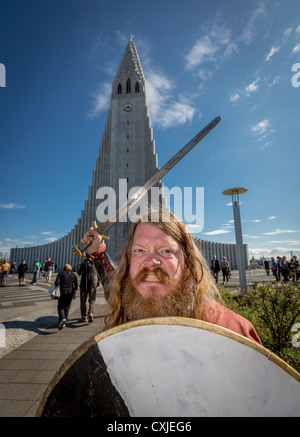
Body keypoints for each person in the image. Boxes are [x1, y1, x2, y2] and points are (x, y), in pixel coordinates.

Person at [81, 209, 261, 344]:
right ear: (129, 261)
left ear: (188, 262)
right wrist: (98, 252)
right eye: (140, 250)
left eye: (166, 250)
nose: (150, 261)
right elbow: (115, 285)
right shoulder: (130, 303)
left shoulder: (231, 332)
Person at [55, 263, 78, 330]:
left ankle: (62, 319)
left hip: (63, 291)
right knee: (67, 306)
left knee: (60, 306)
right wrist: (74, 294)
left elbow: (57, 283)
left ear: (64, 268)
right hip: (70, 292)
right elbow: (76, 285)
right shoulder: (73, 274)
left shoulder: (61, 273)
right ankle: (64, 322)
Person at [77, 254, 100, 323]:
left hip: (84, 283)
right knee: (92, 299)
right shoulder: (95, 263)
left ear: (86, 257)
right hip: (93, 283)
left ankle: (84, 316)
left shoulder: (83, 263)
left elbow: (79, 273)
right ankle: (91, 314)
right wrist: (98, 280)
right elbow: (99, 272)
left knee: (83, 300)